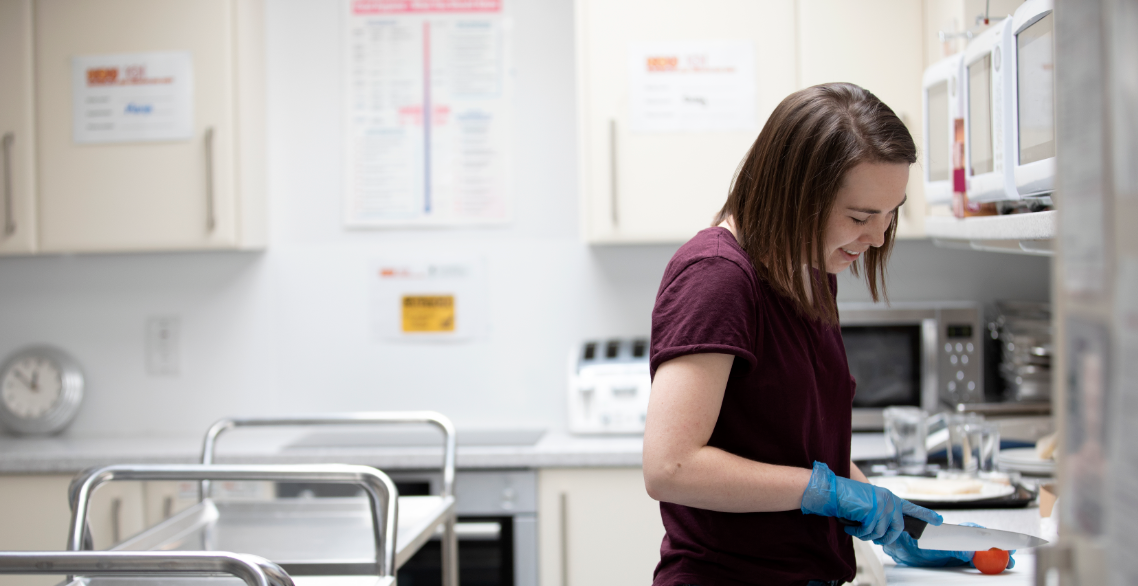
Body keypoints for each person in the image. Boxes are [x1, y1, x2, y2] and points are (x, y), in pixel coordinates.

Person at [642, 83, 1013, 586]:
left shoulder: (810, 267)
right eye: (860, 217)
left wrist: (893, 520)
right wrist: (832, 492)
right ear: (796, 196)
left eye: (891, 213)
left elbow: (795, 446)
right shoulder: (718, 276)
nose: (879, 237)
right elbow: (672, 466)